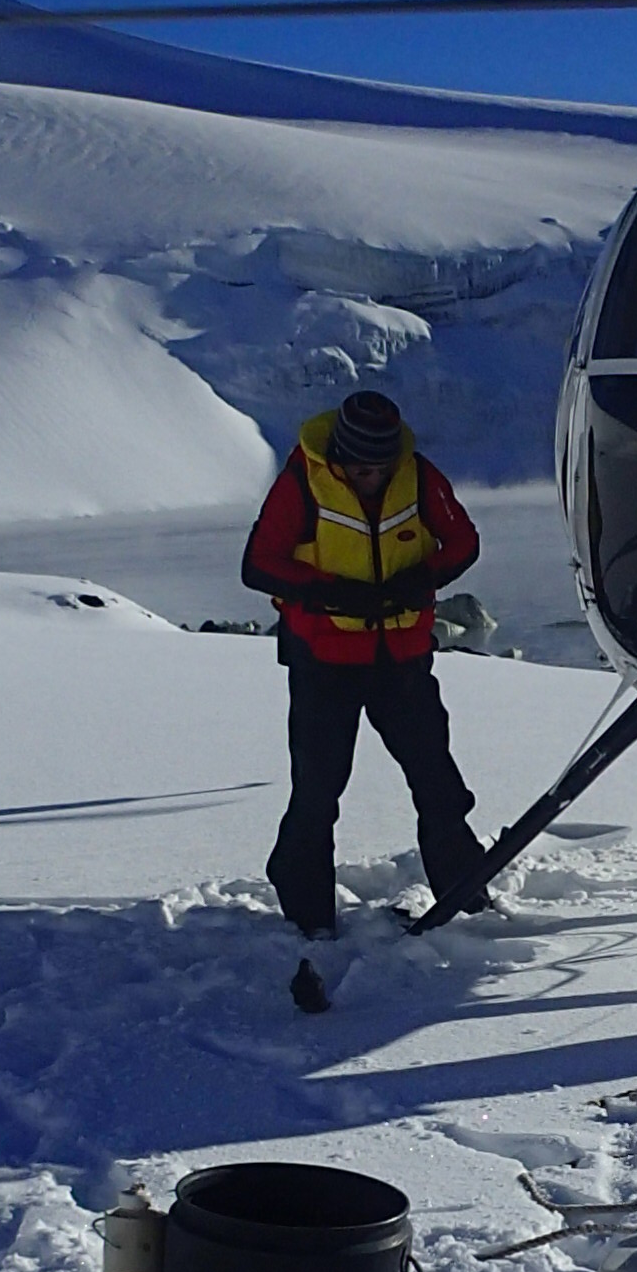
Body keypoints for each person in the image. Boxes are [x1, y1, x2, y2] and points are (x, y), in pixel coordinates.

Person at [240, 382, 487, 949]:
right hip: (323, 659)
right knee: (319, 789)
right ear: (340, 456)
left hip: (400, 657)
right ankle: (308, 910)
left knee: (437, 780)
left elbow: (463, 542)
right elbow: (259, 565)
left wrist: (419, 580)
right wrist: (332, 594)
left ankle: (464, 888)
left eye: (379, 467)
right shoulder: (303, 481)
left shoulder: (420, 477)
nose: (369, 477)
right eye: (359, 467)